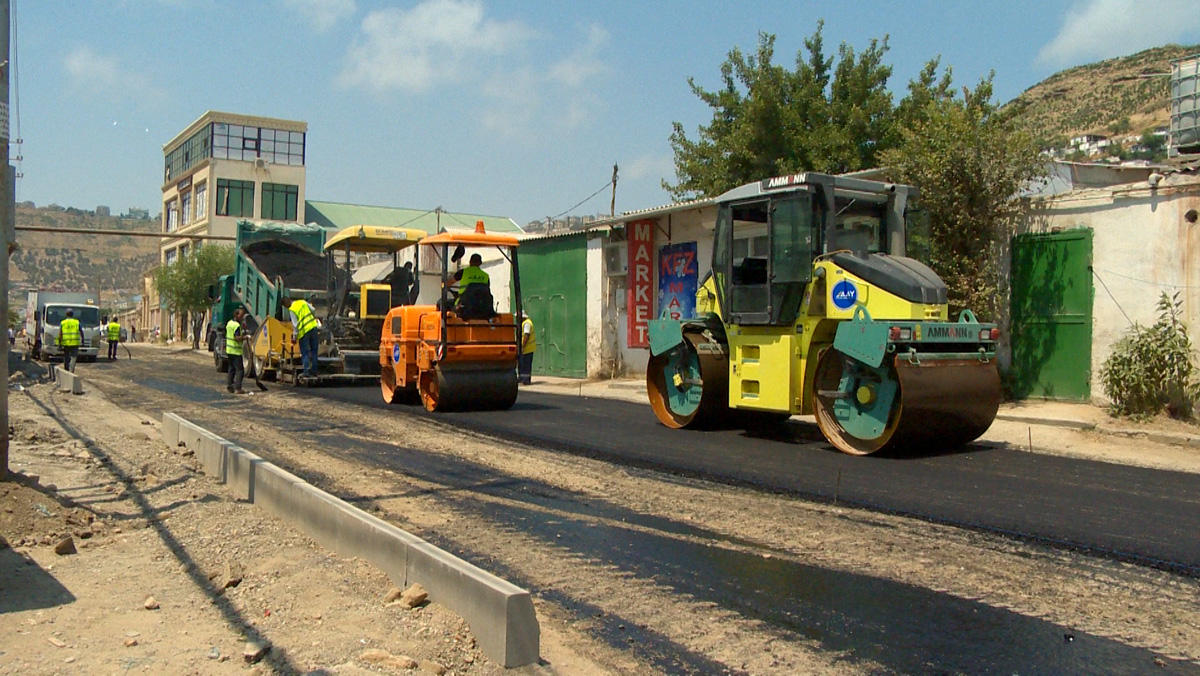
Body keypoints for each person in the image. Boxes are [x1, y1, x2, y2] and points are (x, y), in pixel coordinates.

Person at [285, 293, 319, 379]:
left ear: (286, 305)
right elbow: (313, 310)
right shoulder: (302, 302)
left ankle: (306, 371)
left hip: (304, 332)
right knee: (314, 351)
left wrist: (294, 337)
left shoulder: (292, 309)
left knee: (305, 352)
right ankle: (314, 371)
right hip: (313, 327)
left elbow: (295, 325)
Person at [225, 308, 247, 394]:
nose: (242, 318)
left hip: (229, 350)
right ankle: (238, 388)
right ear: (236, 315)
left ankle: (230, 386)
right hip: (236, 351)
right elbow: (237, 338)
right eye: (241, 316)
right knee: (240, 370)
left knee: (231, 369)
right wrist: (245, 337)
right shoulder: (236, 326)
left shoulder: (229, 323)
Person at [518, 313, 536, 385]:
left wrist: (522, 346)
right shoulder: (524, 323)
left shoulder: (527, 324)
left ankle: (526, 380)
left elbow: (526, 335)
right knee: (522, 364)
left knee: (526, 365)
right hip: (526, 348)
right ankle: (522, 378)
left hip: (527, 348)